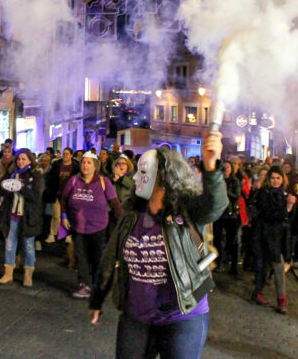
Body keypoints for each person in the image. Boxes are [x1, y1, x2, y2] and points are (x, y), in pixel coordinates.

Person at [89, 133, 227, 359]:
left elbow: (215, 206)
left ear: (163, 177)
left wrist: (212, 168)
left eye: (142, 173)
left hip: (183, 315)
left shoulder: (188, 210)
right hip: (137, 316)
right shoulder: (131, 214)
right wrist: (96, 299)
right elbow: (109, 258)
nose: (134, 178)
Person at [61, 152, 122, 299]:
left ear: (95, 166)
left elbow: (115, 204)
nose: (85, 165)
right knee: (80, 256)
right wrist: (64, 216)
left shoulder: (103, 182)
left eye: (89, 163)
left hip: (98, 227)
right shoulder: (74, 181)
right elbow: (64, 199)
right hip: (78, 227)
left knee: (96, 257)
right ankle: (84, 285)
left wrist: (122, 223)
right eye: (83, 162)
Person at [0, 149, 44, 287]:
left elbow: (36, 196)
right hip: (12, 214)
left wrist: (19, 188)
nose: (20, 161)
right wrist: (5, 188)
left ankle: (28, 275)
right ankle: (8, 273)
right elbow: (3, 188)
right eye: (18, 159)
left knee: (29, 246)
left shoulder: (36, 175)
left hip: (28, 216)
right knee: (10, 245)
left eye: (23, 159)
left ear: (30, 160)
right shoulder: (12, 174)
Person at [251, 166, 295, 314]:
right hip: (266, 235)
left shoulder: (283, 194)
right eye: (273, 178)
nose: (275, 181)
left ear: (283, 179)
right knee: (276, 266)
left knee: (269, 266)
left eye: (278, 178)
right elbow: (270, 213)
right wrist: (288, 208)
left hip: (279, 236)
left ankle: (259, 292)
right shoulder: (264, 193)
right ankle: (281, 299)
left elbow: (288, 218)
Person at [43, 148, 80, 244]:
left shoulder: (75, 167)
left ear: (71, 155)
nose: (65, 155)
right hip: (57, 193)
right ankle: (52, 234)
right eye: (64, 153)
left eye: (67, 154)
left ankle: (68, 234)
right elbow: (50, 178)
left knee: (68, 215)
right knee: (56, 215)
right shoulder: (57, 165)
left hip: (69, 195)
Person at [213, 160, 242, 275]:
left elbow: (237, 196)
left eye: (228, 167)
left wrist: (226, 191)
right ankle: (218, 262)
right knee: (217, 240)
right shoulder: (217, 180)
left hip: (231, 214)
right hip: (219, 214)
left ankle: (233, 265)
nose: (226, 169)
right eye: (224, 167)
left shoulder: (235, 181)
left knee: (233, 240)